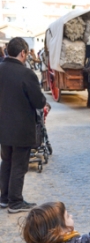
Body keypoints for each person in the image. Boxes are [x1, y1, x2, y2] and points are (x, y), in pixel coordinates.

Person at [0, 37, 46, 212]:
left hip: (3, 127)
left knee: (6, 162)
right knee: (19, 165)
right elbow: (38, 101)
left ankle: (4, 198)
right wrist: (43, 101)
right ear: (22, 53)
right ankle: (15, 202)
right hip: (21, 129)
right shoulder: (26, 74)